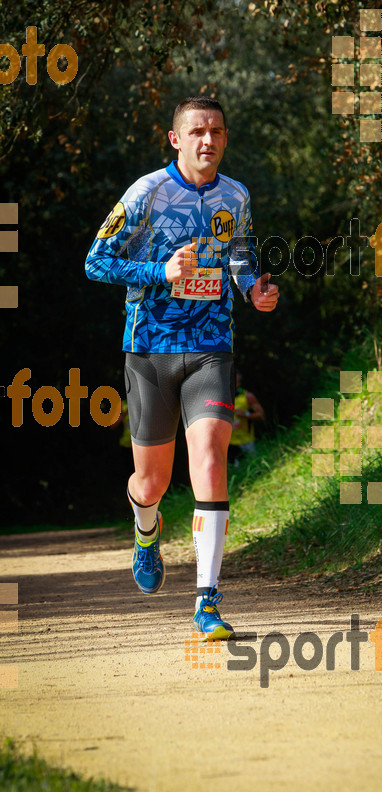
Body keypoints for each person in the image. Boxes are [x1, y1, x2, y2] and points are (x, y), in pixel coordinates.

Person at [85, 97, 279, 640]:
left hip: (213, 345)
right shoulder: (146, 193)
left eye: (216, 131)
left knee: (212, 456)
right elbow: (95, 261)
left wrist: (253, 288)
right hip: (149, 347)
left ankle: (207, 602)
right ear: (175, 139)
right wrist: (159, 269)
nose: (207, 141)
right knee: (151, 481)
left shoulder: (235, 195)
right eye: (196, 131)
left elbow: (240, 254)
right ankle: (146, 530)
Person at [228, 371, 265, 465]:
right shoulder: (221, 399)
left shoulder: (247, 396)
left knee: (254, 466)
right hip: (230, 443)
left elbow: (261, 415)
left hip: (246, 441)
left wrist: (245, 415)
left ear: (239, 383)